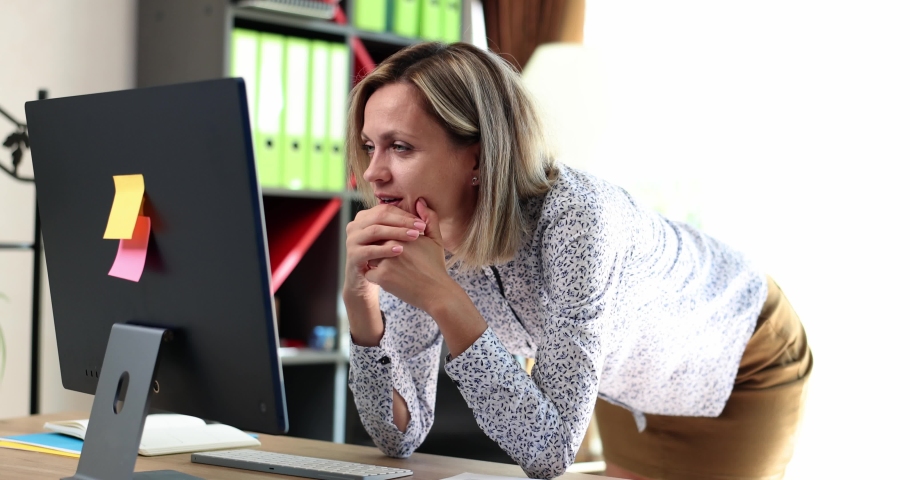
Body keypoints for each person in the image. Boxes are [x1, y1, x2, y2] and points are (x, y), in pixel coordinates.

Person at [342, 41, 812, 480]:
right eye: (369, 146)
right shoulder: (417, 239)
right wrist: (362, 302)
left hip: (739, 354)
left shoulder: (578, 221)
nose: (373, 173)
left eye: (400, 146)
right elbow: (398, 435)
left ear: (479, 158)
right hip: (622, 380)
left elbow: (549, 452)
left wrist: (445, 299)